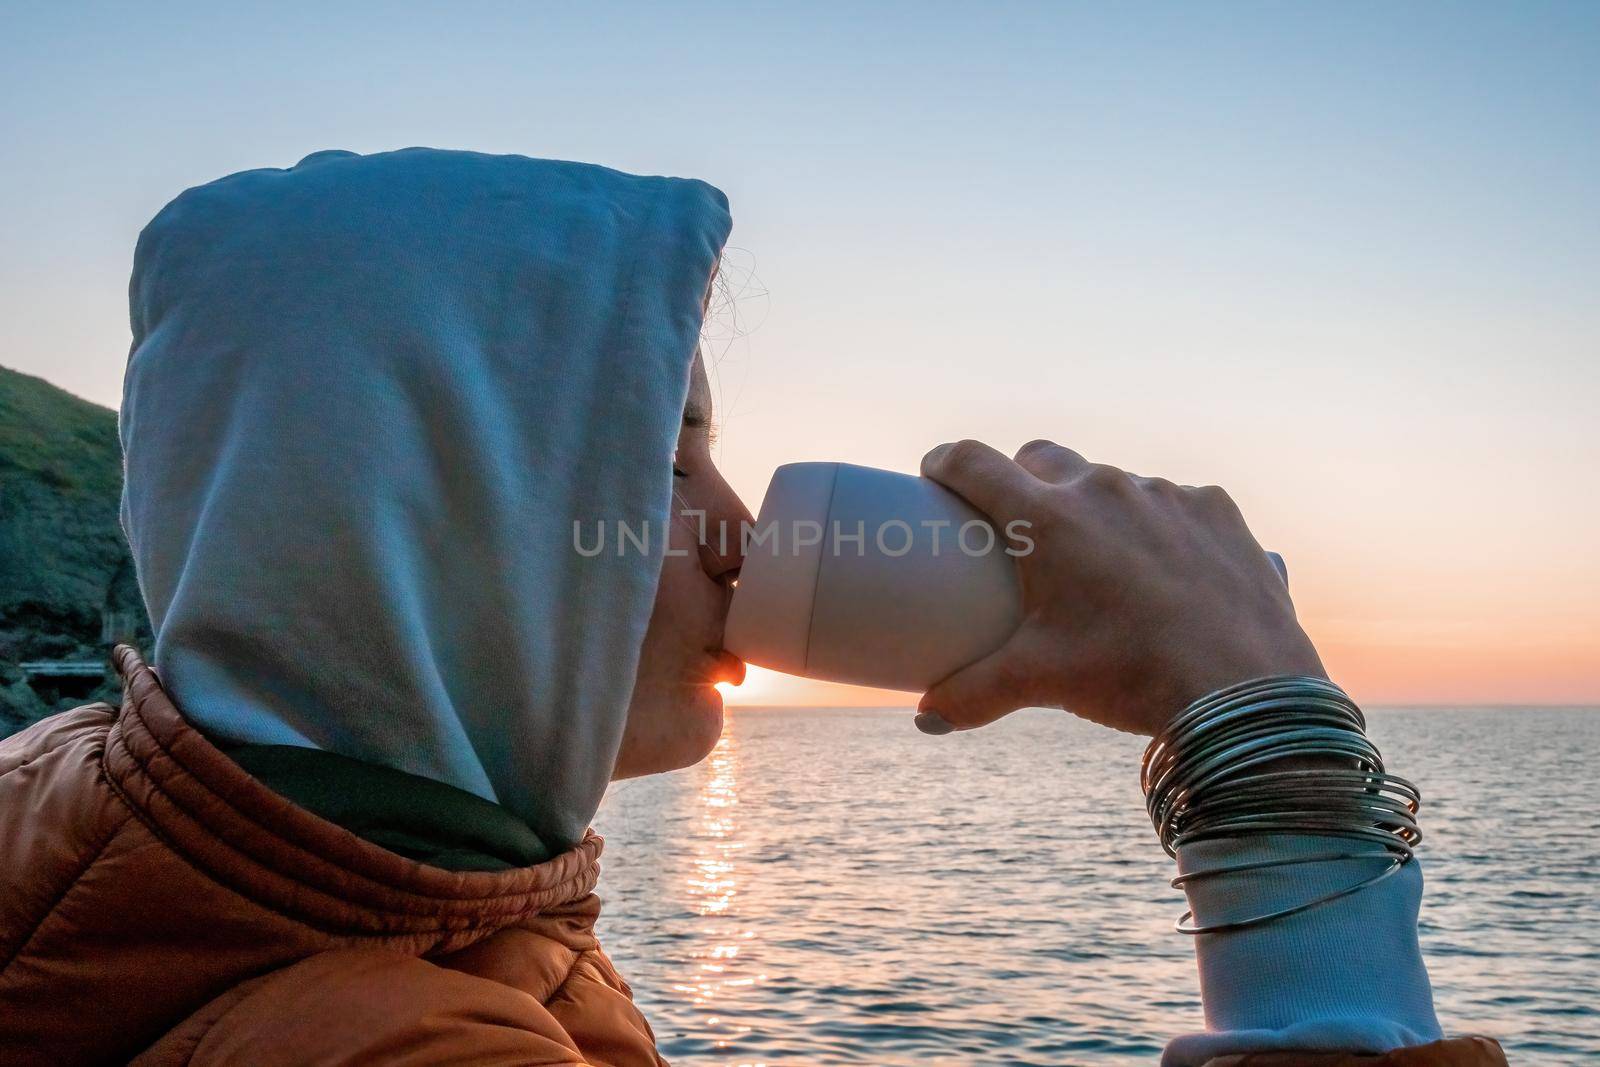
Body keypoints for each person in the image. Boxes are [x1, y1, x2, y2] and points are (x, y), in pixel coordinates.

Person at [0, 149, 1505, 1066]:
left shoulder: (83, 791)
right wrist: (1262, 747)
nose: (738, 536)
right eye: (665, 458)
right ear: (427, 506)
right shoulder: (388, 1039)